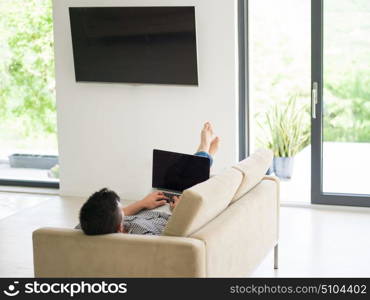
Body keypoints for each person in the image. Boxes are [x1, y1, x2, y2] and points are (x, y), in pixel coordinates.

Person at [78, 122, 220, 236]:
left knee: (171, 175)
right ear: (120, 227)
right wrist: (179, 212)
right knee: (188, 181)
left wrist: (142, 203)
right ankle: (204, 152)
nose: (124, 210)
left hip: (153, 208)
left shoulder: (88, 227)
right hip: (173, 213)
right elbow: (176, 237)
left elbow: (107, 217)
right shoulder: (145, 238)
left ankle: (205, 156)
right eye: (121, 210)